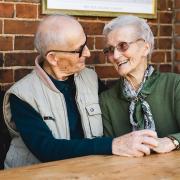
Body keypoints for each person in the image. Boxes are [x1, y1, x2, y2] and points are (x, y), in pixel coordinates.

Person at [2, 14, 158, 168]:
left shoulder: (90, 77)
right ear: (53, 58)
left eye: (86, 43)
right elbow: (47, 149)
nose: (88, 53)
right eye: (79, 49)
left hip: (87, 171)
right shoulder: (22, 95)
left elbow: (116, 109)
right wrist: (112, 145)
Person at [100, 15, 180, 157]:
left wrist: (171, 141)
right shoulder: (106, 100)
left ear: (145, 48)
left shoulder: (174, 85)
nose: (116, 55)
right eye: (110, 50)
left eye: (123, 46)